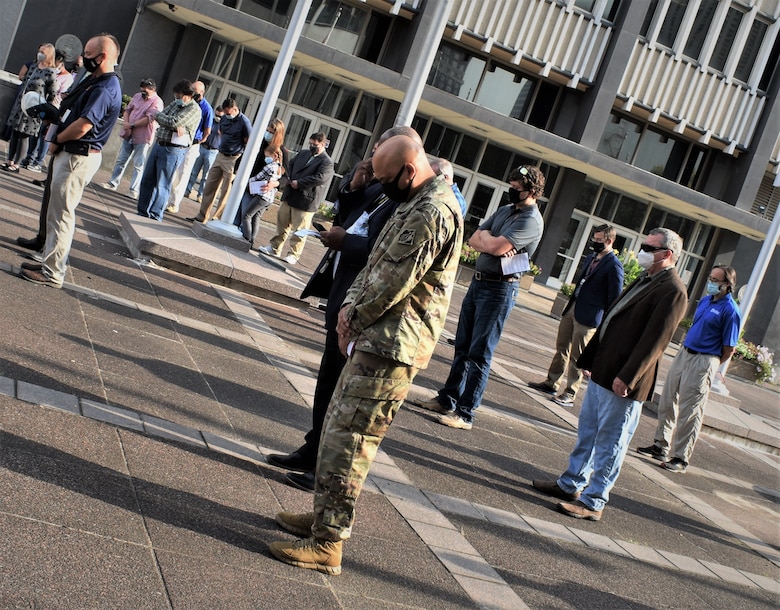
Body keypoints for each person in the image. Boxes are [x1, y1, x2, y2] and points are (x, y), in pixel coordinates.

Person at [268, 134, 463, 575]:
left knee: (350, 442)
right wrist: (345, 313)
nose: (382, 186)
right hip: (376, 337)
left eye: (386, 178)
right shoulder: (415, 199)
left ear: (409, 171)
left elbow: (394, 280)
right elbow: (375, 260)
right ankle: (323, 520)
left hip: (394, 346)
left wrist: (351, 319)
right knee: (337, 430)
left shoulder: (432, 210)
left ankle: (328, 544)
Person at [265, 126, 421, 492]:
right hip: (341, 295)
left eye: (382, 153)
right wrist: (354, 185)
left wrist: (344, 242)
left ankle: (323, 468)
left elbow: (382, 252)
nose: (375, 160)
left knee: (340, 390)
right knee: (325, 383)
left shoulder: (406, 199)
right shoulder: (380, 187)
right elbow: (348, 212)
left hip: (361, 305)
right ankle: (311, 448)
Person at [532, 228, 688, 521]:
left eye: (648, 247)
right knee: (588, 432)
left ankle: (594, 501)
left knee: (611, 443)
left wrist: (628, 377)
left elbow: (655, 342)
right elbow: (613, 319)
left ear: (667, 254)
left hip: (624, 381)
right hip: (604, 370)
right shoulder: (646, 279)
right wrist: (589, 358)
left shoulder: (673, 290)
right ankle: (571, 484)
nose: (641, 251)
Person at [417, 165, 546, 430]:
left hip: (500, 289)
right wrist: (493, 243)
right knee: (462, 345)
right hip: (479, 284)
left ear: (531, 191)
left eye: (516, 188)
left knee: (480, 354)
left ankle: (465, 413)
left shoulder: (531, 220)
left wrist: (493, 243)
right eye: (511, 185)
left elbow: (496, 245)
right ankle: (447, 399)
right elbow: (474, 237)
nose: (511, 190)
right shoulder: (506, 211)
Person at [18, 34, 122, 289]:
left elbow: (84, 126)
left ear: (103, 57)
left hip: (78, 155)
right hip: (72, 152)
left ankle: (53, 273)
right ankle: (48, 261)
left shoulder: (106, 88)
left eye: (88, 54)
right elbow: (69, 110)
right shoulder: (95, 81)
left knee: (62, 215)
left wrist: (58, 140)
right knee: (56, 214)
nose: (82, 58)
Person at [636, 265, 741, 473]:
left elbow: (729, 348)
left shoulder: (730, 310)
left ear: (727, 285)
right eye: (710, 277)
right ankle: (660, 445)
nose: (710, 282)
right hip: (685, 353)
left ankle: (681, 457)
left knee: (690, 410)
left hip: (704, 360)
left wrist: (712, 365)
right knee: (667, 400)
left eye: (715, 280)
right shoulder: (705, 301)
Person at [528, 224, 623, 407]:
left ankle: (570, 393)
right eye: (594, 239)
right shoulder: (590, 258)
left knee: (578, 357)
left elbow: (614, 298)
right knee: (561, 347)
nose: (594, 243)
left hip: (589, 316)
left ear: (609, 241)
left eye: (598, 240)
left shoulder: (614, 266)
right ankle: (551, 383)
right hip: (573, 308)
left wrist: (604, 322)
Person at [258, 132, 334, 265]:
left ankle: (294, 254)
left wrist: (299, 183)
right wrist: (289, 178)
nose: (311, 146)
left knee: (300, 230)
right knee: (282, 224)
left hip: (305, 200)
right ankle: (275, 247)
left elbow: (320, 178)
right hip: (290, 194)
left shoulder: (326, 162)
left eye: (314, 145)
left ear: (322, 144)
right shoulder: (303, 153)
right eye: (310, 143)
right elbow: (290, 165)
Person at [136, 79, 202, 221]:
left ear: (188, 95)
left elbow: (174, 122)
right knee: (148, 179)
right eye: (176, 96)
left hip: (174, 149)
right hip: (159, 143)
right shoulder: (175, 104)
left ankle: (155, 214)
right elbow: (159, 115)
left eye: (179, 96)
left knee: (163, 183)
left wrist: (162, 117)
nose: (176, 99)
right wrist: (165, 118)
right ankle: (142, 211)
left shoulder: (194, 109)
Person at [187, 98, 251, 223]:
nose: (227, 115)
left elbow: (248, 142)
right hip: (220, 154)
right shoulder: (225, 118)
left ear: (235, 109)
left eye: (228, 113)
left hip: (234, 157)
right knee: (210, 185)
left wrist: (239, 163)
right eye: (225, 113)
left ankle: (217, 218)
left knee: (225, 191)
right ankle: (202, 215)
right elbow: (221, 132)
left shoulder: (244, 122)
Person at [102, 78, 163, 199]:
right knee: (121, 159)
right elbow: (127, 110)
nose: (143, 92)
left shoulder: (157, 102)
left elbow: (149, 118)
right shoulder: (137, 96)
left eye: (146, 90)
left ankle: (133, 190)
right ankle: (113, 182)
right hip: (128, 132)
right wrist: (126, 123)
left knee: (138, 164)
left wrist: (132, 125)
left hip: (143, 136)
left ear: (153, 90)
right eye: (142, 89)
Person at [2, 43, 57, 173]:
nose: (40, 53)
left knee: (24, 136)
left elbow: (52, 93)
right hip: (21, 105)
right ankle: (9, 160)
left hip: (34, 109)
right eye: (39, 51)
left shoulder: (50, 72)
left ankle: (16, 164)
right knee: (15, 133)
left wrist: (44, 107)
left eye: (43, 51)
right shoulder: (33, 66)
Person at [21, 50, 74, 173]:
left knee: (45, 136)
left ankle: (38, 162)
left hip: (54, 109)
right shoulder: (49, 71)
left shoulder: (67, 77)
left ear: (60, 62)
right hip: (42, 106)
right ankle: (29, 157)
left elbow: (60, 94)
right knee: (35, 135)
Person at [236, 118, 288, 240]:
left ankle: (248, 240)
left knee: (249, 216)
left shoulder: (281, 152)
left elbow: (286, 176)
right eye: (267, 131)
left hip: (262, 191)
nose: (268, 134)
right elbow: (244, 158)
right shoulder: (259, 143)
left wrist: (275, 183)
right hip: (248, 186)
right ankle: (245, 239)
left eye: (271, 132)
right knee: (241, 215)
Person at [166, 81, 214, 214]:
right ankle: (166, 198)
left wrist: (199, 142)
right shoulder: (187, 102)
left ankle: (174, 203)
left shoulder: (206, 108)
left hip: (192, 144)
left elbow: (207, 130)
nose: (194, 93)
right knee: (173, 170)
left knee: (183, 173)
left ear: (202, 93)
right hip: (179, 140)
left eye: (196, 92)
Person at [239, 147, 285, 243]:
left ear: (275, 156)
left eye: (267, 156)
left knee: (247, 215)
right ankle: (252, 240)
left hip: (261, 195)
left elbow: (257, 178)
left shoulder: (269, 167)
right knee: (256, 218)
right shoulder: (279, 168)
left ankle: (247, 237)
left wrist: (244, 181)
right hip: (269, 198)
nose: (265, 158)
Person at [184, 105, 223, 204]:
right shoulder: (211, 121)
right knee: (194, 172)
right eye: (217, 115)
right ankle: (187, 190)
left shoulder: (224, 125)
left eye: (220, 116)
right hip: (203, 147)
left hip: (213, 151)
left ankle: (200, 195)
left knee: (206, 176)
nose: (218, 118)